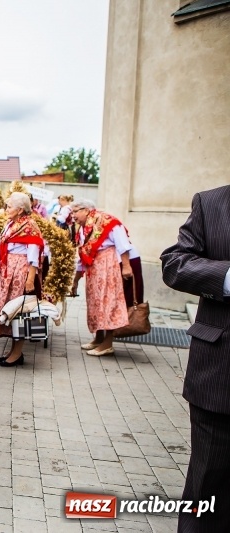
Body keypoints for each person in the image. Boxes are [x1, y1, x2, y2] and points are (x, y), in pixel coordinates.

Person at [160, 184, 230, 532]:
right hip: (221, 377)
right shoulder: (213, 202)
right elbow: (175, 262)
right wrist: (227, 277)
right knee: (209, 486)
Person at [0, 192, 44, 366]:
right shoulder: (12, 223)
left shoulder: (29, 225)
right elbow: (9, 247)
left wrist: (30, 279)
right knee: (10, 309)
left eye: (9, 206)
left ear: (20, 209)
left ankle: (17, 353)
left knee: (20, 311)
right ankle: (13, 351)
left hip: (21, 271)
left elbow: (33, 255)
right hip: (10, 270)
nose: (6, 209)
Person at [70, 199, 131, 356]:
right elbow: (83, 254)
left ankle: (107, 343)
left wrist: (126, 266)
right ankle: (98, 338)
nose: (73, 215)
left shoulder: (107, 221)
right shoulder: (83, 228)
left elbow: (123, 244)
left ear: (86, 210)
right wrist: (76, 280)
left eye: (75, 211)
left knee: (107, 302)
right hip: (93, 269)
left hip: (107, 265)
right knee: (95, 303)